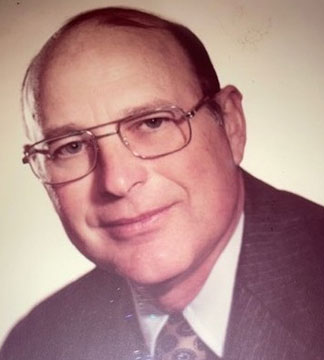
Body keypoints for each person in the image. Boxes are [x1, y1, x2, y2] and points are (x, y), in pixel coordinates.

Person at [1, 6, 323, 360]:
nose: (117, 181)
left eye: (152, 123)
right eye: (71, 147)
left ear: (230, 125)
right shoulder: (34, 344)